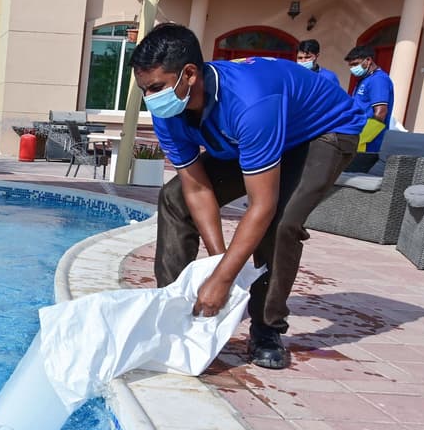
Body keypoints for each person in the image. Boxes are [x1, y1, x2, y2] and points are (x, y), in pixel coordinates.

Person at [130, 23, 365, 369]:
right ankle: (174, 308)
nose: (150, 98)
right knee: (175, 197)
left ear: (189, 74)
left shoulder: (250, 103)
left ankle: (267, 328)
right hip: (264, 130)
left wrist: (223, 280)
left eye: (156, 88)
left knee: (281, 222)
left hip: (323, 131)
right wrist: (220, 265)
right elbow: (196, 188)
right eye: (143, 90)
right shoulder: (168, 109)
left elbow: (262, 205)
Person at [344, 45, 394, 152]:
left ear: (368, 60)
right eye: (350, 66)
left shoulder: (378, 79)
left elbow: (381, 112)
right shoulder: (364, 79)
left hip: (368, 144)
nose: (352, 69)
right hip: (356, 136)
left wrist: (362, 138)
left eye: (355, 64)